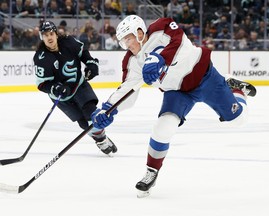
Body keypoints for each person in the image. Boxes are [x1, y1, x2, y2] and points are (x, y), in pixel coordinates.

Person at [90, 15, 257, 197]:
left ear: (139, 32)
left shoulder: (161, 27)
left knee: (239, 119)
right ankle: (151, 172)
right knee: (162, 127)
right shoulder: (131, 61)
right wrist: (108, 109)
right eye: (123, 42)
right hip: (176, 92)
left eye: (128, 39)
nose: (126, 45)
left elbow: (181, 45)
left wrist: (160, 59)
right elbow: (127, 91)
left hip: (204, 77)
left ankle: (235, 90)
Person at [33, 21, 117, 155]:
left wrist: (91, 64)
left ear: (56, 34)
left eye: (51, 34)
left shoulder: (68, 42)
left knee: (91, 112)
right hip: (61, 96)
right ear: (41, 37)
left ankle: (101, 137)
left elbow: (83, 52)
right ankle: (101, 139)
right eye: (45, 35)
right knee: (83, 123)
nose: (49, 37)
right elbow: (42, 84)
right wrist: (56, 88)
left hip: (78, 85)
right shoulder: (41, 58)